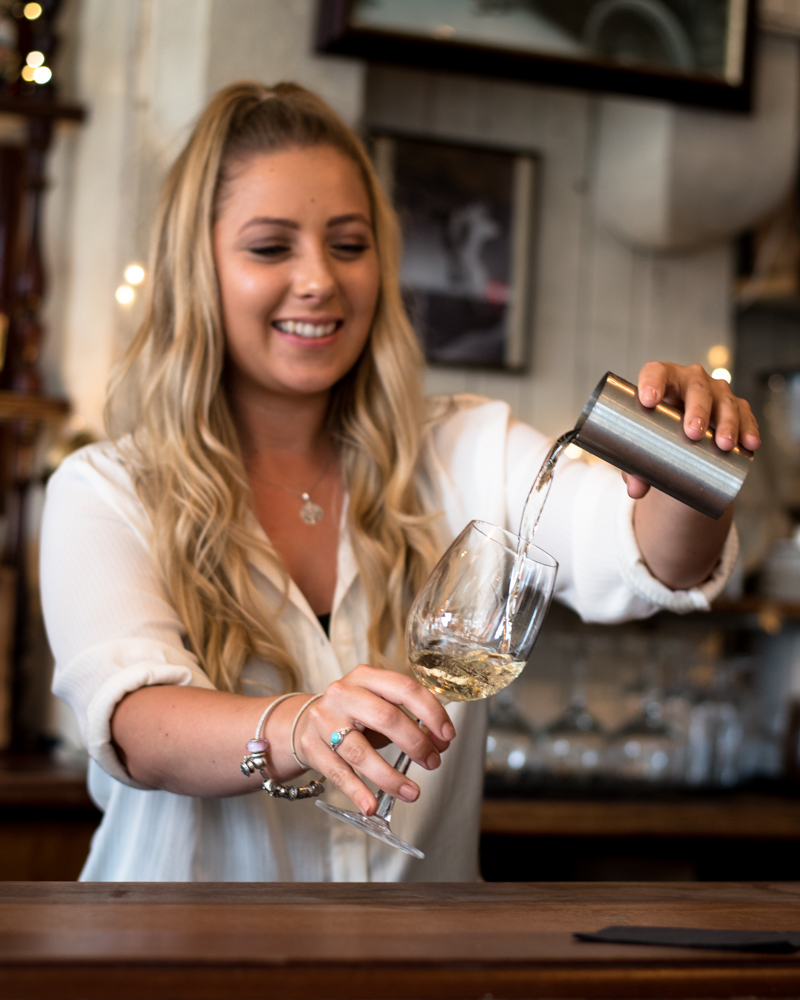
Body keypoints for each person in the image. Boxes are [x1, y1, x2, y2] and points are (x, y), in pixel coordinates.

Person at [41, 82, 760, 882]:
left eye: (348, 245)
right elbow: (134, 722)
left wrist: (697, 458)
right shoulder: (104, 490)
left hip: (420, 965)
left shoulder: (464, 447)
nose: (319, 280)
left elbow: (648, 562)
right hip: (178, 961)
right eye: (270, 247)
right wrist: (297, 726)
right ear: (196, 268)